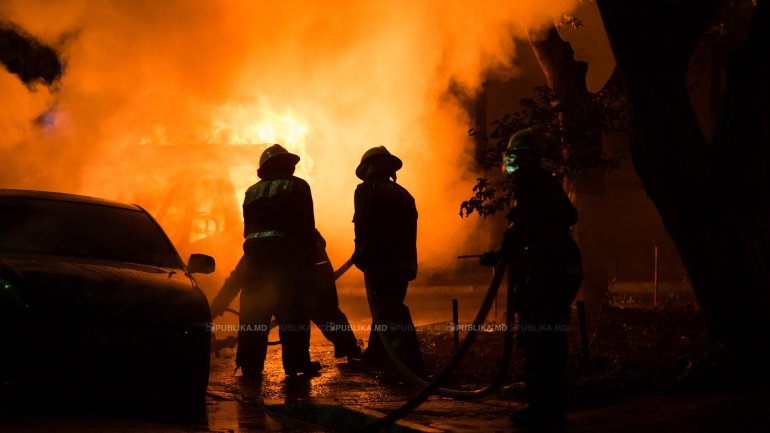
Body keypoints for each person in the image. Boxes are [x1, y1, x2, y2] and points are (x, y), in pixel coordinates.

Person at [481, 128, 583, 427]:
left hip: (547, 276)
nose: (512, 166)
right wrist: (503, 256)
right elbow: (530, 231)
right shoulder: (546, 187)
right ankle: (546, 409)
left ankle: (546, 413)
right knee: (544, 341)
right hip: (554, 273)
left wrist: (505, 254)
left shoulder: (533, 187)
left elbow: (525, 231)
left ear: (526, 160)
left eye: (516, 159)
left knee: (542, 343)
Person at [209, 143, 321, 379]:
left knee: (253, 314)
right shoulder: (299, 186)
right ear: (287, 165)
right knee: (293, 315)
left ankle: (249, 366)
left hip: (254, 259)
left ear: (264, 169)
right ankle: (297, 364)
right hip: (285, 258)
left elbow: (248, 230)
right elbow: (306, 226)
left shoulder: (251, 191)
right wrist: (309, 261)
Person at [352, 146, 425, 378]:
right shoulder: (404, 193)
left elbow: (363, 223)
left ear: (370, 167)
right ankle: (376, 356)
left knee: (390, 310)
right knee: (385, 308)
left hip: (381, 262)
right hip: (404, 263)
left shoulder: (365, 190)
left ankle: (410, 364)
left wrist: (361, 251)